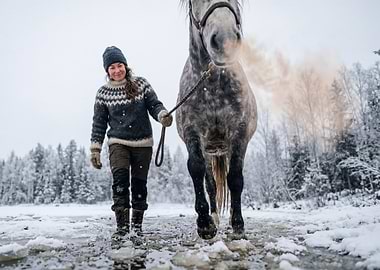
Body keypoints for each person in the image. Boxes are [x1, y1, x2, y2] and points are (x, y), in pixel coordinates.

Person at [90, 46, 173, 238]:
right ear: (107, 71)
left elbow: (154, 104)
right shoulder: (103, 93)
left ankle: (136, 227)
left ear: (126, 66)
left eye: (120, 65)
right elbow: (99, 123)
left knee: (139, 185)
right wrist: (95, 148)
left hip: (143, 143)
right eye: (112, 67)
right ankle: (121, 228)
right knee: (120, 182)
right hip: (118, 143)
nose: (117, 70)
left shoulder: (141, 84)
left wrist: (162, 115)